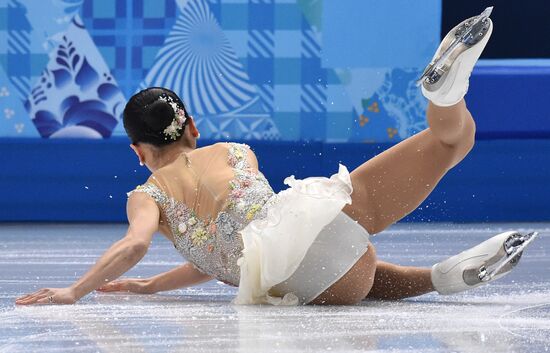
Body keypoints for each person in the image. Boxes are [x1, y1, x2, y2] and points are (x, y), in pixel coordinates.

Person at [15, 8, 536, 306]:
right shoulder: (234, 151)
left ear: (137, 150)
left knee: (364, 281)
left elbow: (151, 247)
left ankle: (444, 277)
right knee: (452, 142)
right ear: (192, 127)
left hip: (312, 278)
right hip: (327, 222)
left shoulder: (148, 194)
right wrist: (154, 284)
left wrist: (75, 290)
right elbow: (252, 236)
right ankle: (445, 97)